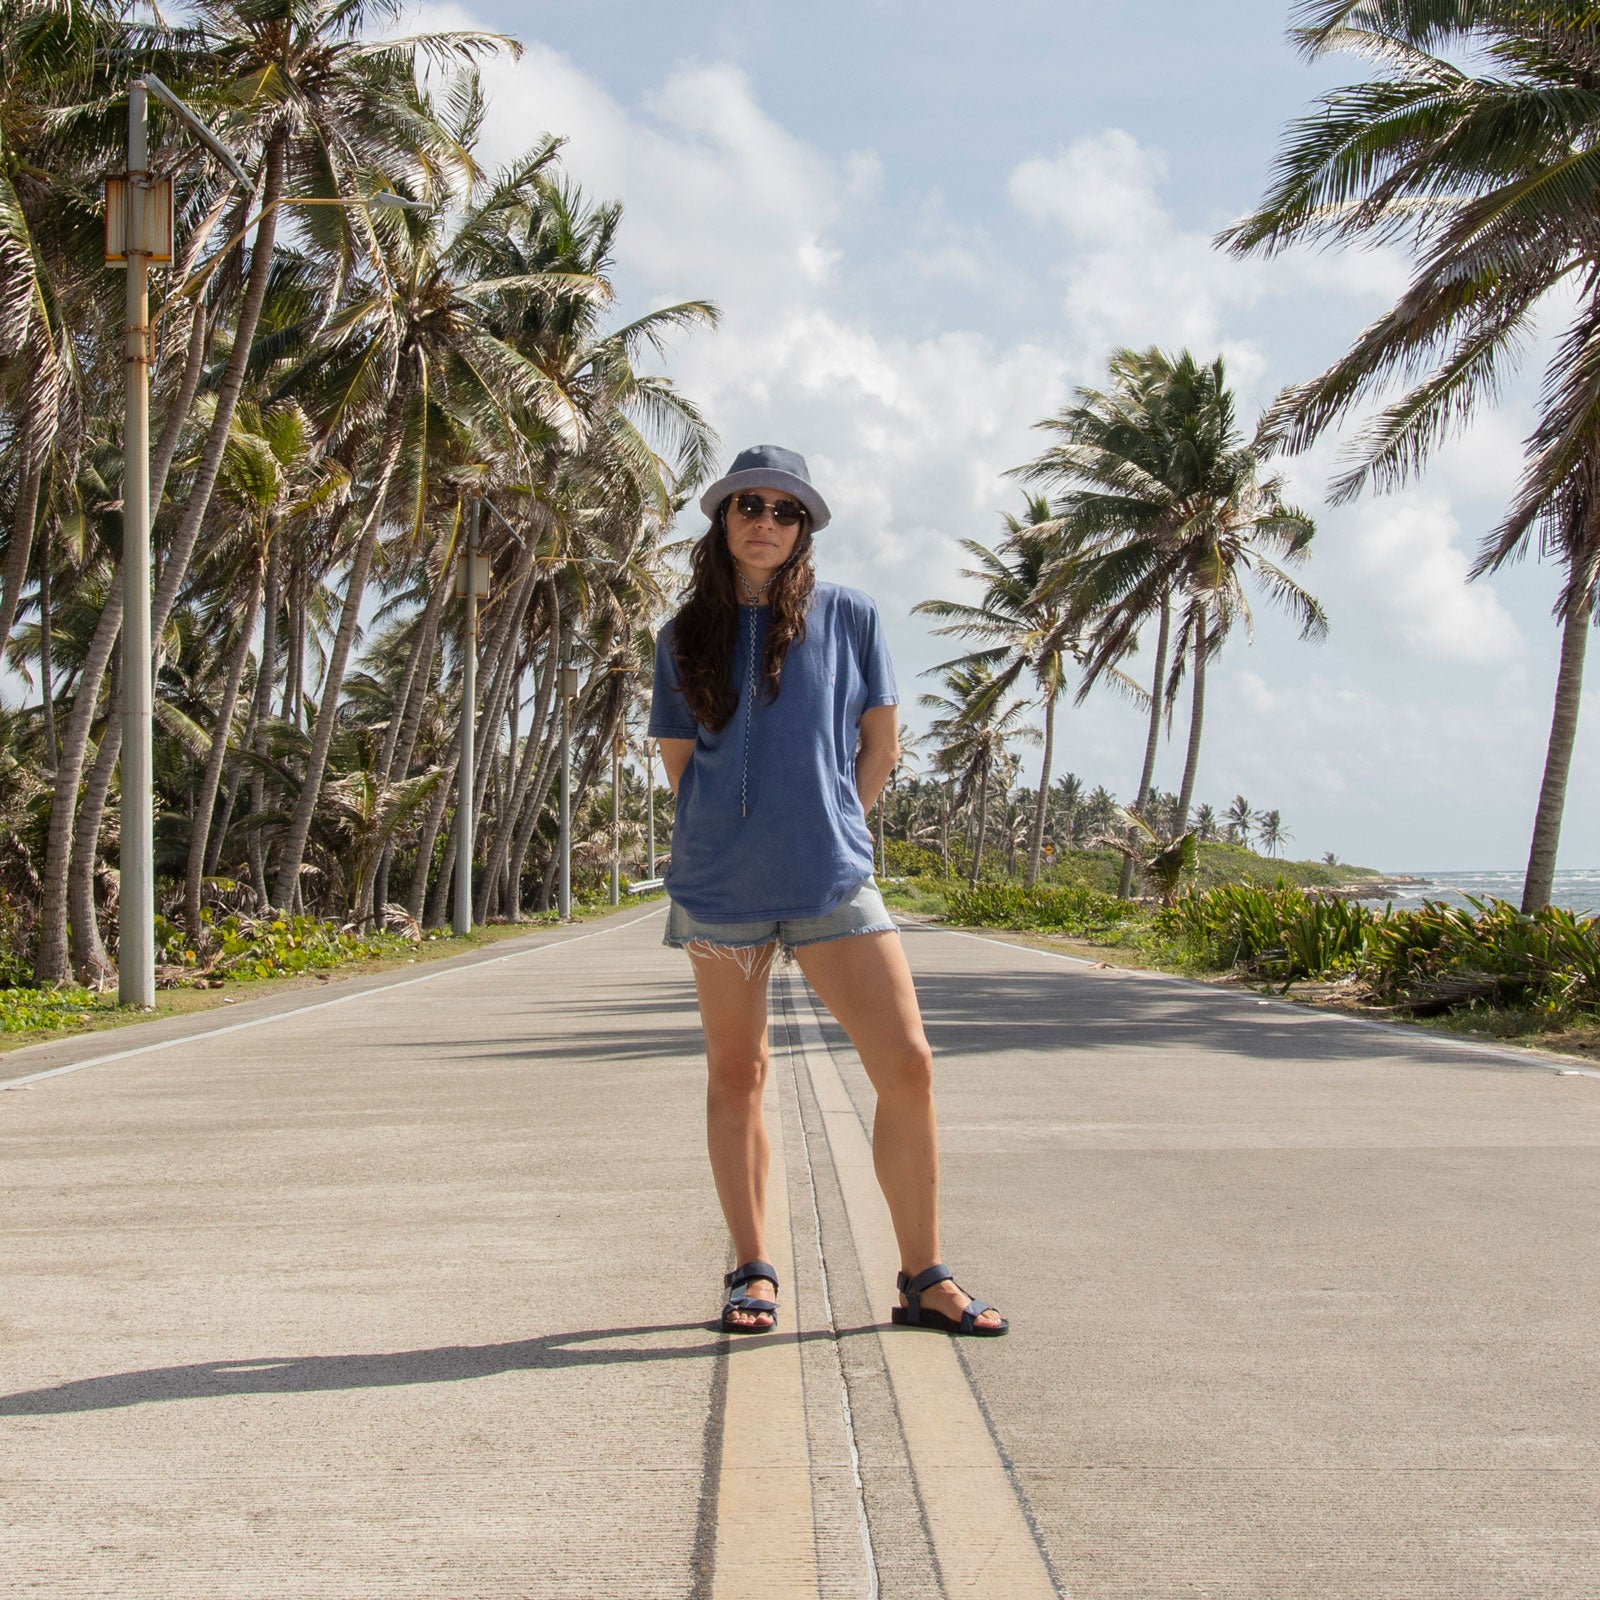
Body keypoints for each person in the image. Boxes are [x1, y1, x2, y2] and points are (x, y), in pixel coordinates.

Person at [647, 444, 1007, 1338]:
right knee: (738, 1074)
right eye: (748, 506)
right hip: (720, 888)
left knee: (909, 1065)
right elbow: (682, 765)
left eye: (784, 510)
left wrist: (837, 823)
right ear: (723, 520)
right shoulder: (683, 633)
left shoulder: (851, 616)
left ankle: (924, 1276)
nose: (764, 521)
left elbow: (878, 746)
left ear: (804, 528)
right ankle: (752, 1270)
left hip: (832, 880)